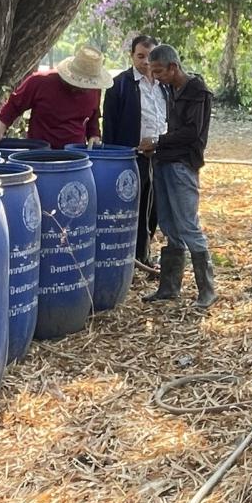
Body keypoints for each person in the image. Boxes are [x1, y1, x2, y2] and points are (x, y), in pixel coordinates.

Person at [138, 44, 217, 308]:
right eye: (153, 71)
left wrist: (158, 141)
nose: (156, 76)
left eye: (159, 71)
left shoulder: (197, 91)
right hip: (164, 160)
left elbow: (192, 133)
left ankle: (207, 289)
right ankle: (169, 287)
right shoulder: (170, 88)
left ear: (173, 67)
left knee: (188, 225)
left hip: (183, 163)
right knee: (170, 226)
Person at [102, 35, 168, 267]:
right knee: (135, 208)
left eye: (150, 57)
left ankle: (145, 250)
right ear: (132, 56)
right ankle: (134, 256)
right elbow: (109, 127)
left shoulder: (164, 85)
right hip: (131, 157)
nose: (146, 62)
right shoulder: (119, 85)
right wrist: (112, 158)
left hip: (160, 156)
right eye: (140, 56)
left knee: (156, 207)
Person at [0, 45, 110, 149]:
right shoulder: (40, 82)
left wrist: (94, 135)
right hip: (40, 153)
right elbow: (13, 106)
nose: (83, 88)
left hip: (75, 156)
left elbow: (92, 118)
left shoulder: (94, 90)